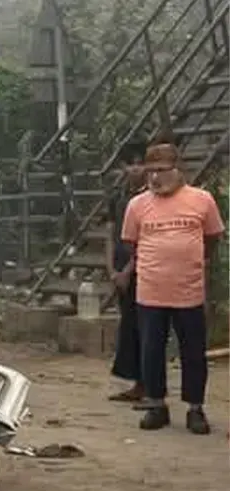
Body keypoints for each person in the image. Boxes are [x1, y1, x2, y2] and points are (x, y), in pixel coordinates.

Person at [121, 140, 225, 434]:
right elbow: (131, 243)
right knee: (151, 350)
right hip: (151, 292)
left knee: (193, 352)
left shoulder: (202, 200)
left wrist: (194, 260)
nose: (156, 177)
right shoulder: (137, 205)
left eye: (162, 170)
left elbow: (212, 237)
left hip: (189, 291)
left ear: (179, 170)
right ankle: (157, 405)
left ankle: (195, 408)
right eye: (151, 171)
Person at [105, 140, 150, 403]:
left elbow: (145, 239)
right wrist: (111, 268)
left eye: (139, 163)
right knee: (129, 325)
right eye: (130, 164)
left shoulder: (150, 198)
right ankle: (136, 383)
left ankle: (148, 385)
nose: (135, 169)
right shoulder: (118, 196)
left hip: (143, 268)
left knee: (146, 327)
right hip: (120, 265)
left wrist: (127, 271)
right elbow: (110, 233)